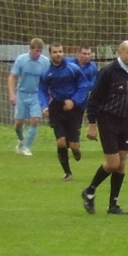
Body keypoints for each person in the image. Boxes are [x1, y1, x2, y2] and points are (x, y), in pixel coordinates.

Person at [80, 40, 128, 215]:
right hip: (108, 121)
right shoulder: (107, 72)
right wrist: (92, 125)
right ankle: (90, 191)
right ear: (119, 52)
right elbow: (94, 99)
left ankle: (113, 205)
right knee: (113, 163)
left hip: (125, 122)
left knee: (122, 164)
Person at [39, 43, 91, 181]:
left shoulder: (73, 69)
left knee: (73, 144)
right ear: (50, 54)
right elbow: (42, 90)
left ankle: (75, 148)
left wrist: (74, 101)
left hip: (74, 108)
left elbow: (83, 86)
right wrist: (44, 106)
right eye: (55, 52)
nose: (58, 54)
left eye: (60, 51)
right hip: (56, 107)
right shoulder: (46, 73)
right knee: (61, 142)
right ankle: (68, 173)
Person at [8, 38, 50, 156]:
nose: (38, 54)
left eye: (40, 51)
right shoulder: (21, 60)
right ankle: (21, 140)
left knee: (35, 120)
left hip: (37, 94)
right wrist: (12, 94)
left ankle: (27, 147)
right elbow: (12, 77)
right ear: (31, 49)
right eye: (36, 51)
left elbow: (48, 79)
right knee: (19, 123)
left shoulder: (45, 62)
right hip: (22, 93)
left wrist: (49, 96)